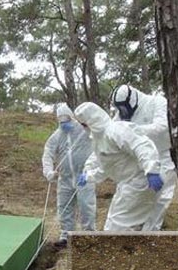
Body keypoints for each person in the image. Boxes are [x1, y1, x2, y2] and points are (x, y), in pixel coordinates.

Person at [73, 102, 163, 231]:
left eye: (83, 124)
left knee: (116, 227)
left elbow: (141, 145)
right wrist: (89, 176)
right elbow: (109, 167)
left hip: (140, 181)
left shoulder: (116, 130)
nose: (83, 128)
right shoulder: (100, 139)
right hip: (127, 184)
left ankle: (118, 249)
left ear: (90, 121)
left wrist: (151, 170)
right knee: (117, 223)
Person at [111, 84, 177, 231]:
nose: (123, 111)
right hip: (136, 163)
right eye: (119, 108)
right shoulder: (120, 114)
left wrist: (134, 130)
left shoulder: (156, 102)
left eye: (124, 107)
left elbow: (162, 127)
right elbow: (112, 133)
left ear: (132, 100)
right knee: (125, 200)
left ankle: (151, 235)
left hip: (162, 158)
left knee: (160, 200)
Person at [41, 103, 97, 249]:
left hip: (83, 176)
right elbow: (48, 153)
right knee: (64, 207)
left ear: (72, 118)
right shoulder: (57, 136)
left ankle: (89, 235)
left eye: (67, 120)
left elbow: (98, 133)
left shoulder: (83, 130)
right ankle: (66, 235)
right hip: (65, 178)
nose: (65, 124)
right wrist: (49, 172)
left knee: (86, 205)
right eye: (61, 122)